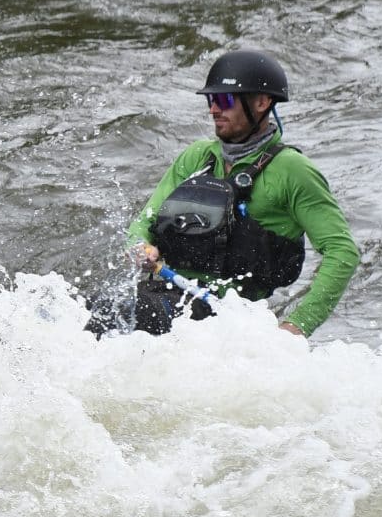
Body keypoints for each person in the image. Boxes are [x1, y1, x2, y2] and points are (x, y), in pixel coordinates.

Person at [91, 46, 359, 337]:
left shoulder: (294, 171)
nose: (213, 109)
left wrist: (297, 325)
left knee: (119, 311)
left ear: (262, 103)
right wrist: (139, 245)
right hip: (161, 293)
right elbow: (143, 223)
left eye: (224, 99)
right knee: (92, 305)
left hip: (224, 316)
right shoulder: (197, 157)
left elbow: (342, 252)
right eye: (211, 99)